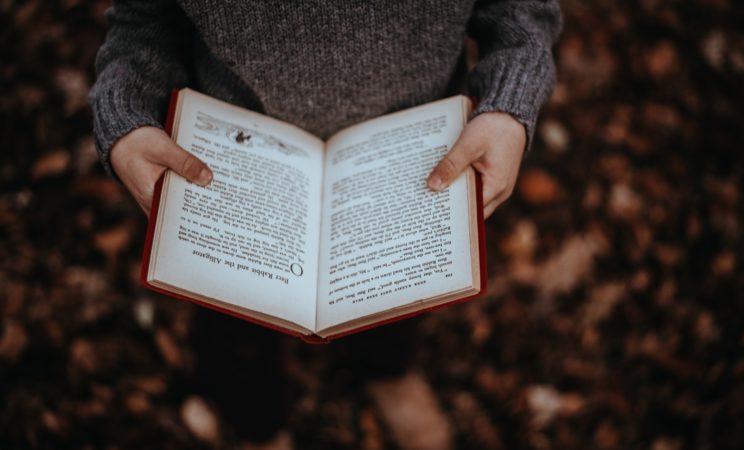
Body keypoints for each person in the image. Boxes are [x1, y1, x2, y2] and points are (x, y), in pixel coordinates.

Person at [90, 1, 561, 448]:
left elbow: (519, 9)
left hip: (411, 154)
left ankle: (388, 370)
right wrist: (126, 110)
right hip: (232, 162)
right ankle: (257, 423)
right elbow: (145, 18)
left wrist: (508, 104)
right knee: (234, 325)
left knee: (395, 290)